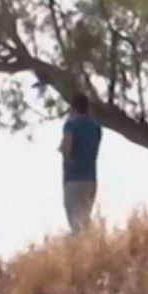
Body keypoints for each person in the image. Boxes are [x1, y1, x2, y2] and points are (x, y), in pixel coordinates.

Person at [59, 93, 102, 233]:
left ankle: (86, 246)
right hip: (90, 178)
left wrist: (66, 157)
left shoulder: (70, 125)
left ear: (73, 108)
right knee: (84, 219)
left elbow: (67, 149)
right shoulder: (96, 126)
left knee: (76, 224)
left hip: (73, 179)